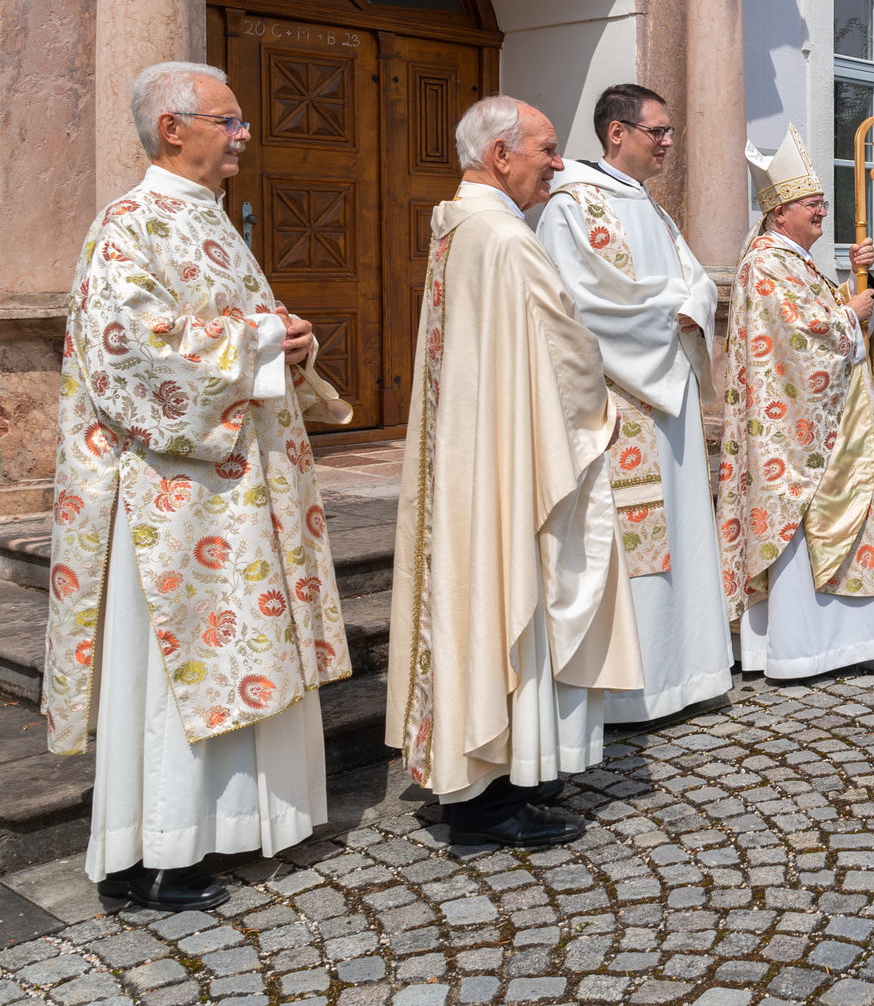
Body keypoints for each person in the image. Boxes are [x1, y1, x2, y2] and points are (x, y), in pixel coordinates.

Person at [45, 62, 350, 911]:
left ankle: (238, 826)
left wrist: (287, 340)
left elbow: (229, 330)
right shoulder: (128, 224)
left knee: (246, 652)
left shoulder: (208, 218)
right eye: (230, 120)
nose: (244, 134)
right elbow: (131, 351)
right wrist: (261, 339)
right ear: (174, 129)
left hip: (241, 490)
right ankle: (156, 852)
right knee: (177, 670)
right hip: (172, 504)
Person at [388, 95, 645, 849]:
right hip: (505, 462)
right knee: (508, 598)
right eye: (546, 148)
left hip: (473, 456)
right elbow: (568, 352)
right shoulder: (504, 238)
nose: (558, 163)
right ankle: (489, 803)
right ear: (500, 155)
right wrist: (602, 407)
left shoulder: (460, 225)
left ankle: (488, 779)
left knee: (475, 603)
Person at [532, 84, 731, 723]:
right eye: (658, 131)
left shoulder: (650, 206)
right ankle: (631, 694)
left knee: (681, 531)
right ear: (617, 133)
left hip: (669, 394)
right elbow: (580, 304)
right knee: (634, 539)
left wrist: (690, 305)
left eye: (670, 131)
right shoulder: (571, 206)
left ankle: (687, 674)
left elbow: (697, 280)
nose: (668, 142)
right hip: (620, 400)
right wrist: (673, 311)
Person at [714, 128, 874, 676]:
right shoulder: (767, 262)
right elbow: (799, 338)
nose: (823, 210)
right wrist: (851, 313)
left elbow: (820, 322)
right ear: (780, 213)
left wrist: (850, 289)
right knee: (803, 534)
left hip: (825, 424)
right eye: (813, 203)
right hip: (796, 435)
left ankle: (850, 643)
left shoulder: (794, 259)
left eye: (823, 201)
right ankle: (802, 649)